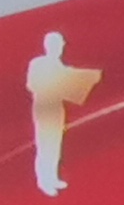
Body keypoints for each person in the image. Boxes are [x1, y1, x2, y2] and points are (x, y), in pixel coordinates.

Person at [28, 31, 100, 196]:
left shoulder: (59, 65)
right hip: (45, 108)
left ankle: (53, 177)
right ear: (49, 46)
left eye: (61, 45)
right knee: (45, 145)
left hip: (57, 108)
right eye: (58, 44)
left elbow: (68, 81)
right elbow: (32, 83)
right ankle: (44, 181)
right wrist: (52, 83)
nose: (60, 48)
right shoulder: (38, 63)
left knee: (55, 144)